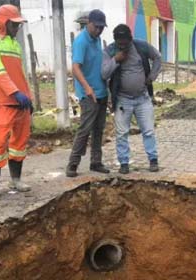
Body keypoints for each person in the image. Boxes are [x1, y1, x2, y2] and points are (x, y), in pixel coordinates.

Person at [0, 4, 33, 202]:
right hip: (3, 101)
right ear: (4, 22)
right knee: (0, 142)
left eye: (19, 24)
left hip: (21, 101)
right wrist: (15, 93)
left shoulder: (14, 45)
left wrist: (28, 97)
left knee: (19, 142)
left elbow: (20, 74)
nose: (17, 28)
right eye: (14, 24)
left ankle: (16, 180)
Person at [102, 24, 162, 174]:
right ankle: (124, 163)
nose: (123, 46)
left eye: (125, 43)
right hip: (123, 100)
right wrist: (116, 59)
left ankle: (153, 160)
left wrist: (152, 76)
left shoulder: (141, 46)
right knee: (122, 133)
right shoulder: (110, 51)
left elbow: (157, 57)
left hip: (142, 98)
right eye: (119, 43)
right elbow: (104, 73)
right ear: (115, 41)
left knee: (148, 130)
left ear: (130, 39)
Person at [66, 9, 110, 177]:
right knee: (85, 129)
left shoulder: (97, 39)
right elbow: (75, 68)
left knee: (99, 129)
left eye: (101, 28)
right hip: (88, 94)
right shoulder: (81, 42)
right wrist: (87, 88)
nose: (99, 30)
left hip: (101, 92)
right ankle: (73, 164)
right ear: (89, 24)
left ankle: (96, 162)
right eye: (96, 27)